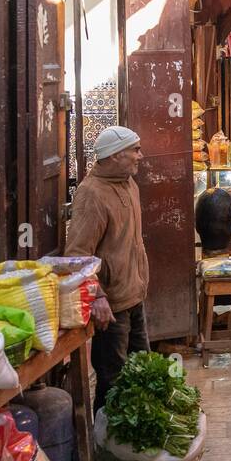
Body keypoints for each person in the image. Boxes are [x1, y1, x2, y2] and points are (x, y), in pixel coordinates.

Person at [65, 126, 150, 407]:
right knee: (112, 380)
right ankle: (104, 442)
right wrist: (97, 295)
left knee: (142, 372)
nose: (141, 155)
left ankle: (130, 445)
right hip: (111, 306)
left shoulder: (129, 184)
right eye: (135, 150)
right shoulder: (92, 195)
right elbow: (77, 254)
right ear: (115, 155)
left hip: (134, 295)